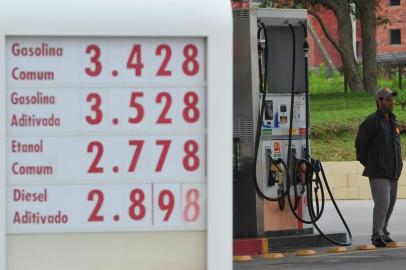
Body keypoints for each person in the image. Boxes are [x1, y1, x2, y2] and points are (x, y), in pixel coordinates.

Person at [355, 87, 403, 247]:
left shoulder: (393, 121)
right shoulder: (371, 122)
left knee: (390, 203)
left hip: (393, 171)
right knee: (382, 203)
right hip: (378, 171)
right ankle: (377, 235)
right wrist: (370, 164)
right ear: (379, 101)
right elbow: (360, 146)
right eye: (388, 99)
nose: (391, 102)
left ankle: (384, 232)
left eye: (392, 99)